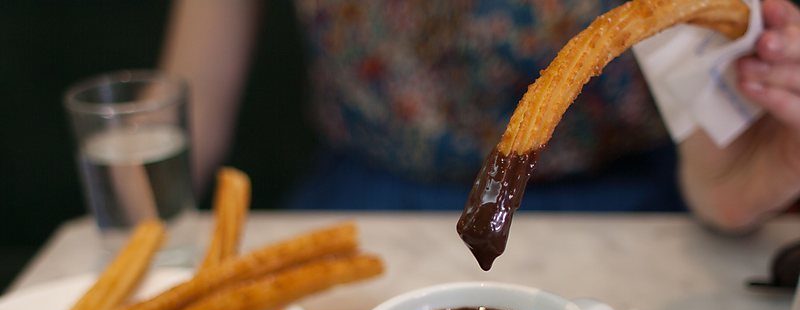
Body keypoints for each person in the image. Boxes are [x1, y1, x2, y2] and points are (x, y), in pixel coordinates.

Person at [159, 0, 800, 232]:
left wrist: (734, 181)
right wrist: (119, 244)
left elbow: (724, 150)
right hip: (366, 208)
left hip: (626, 206)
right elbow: (187, 114)